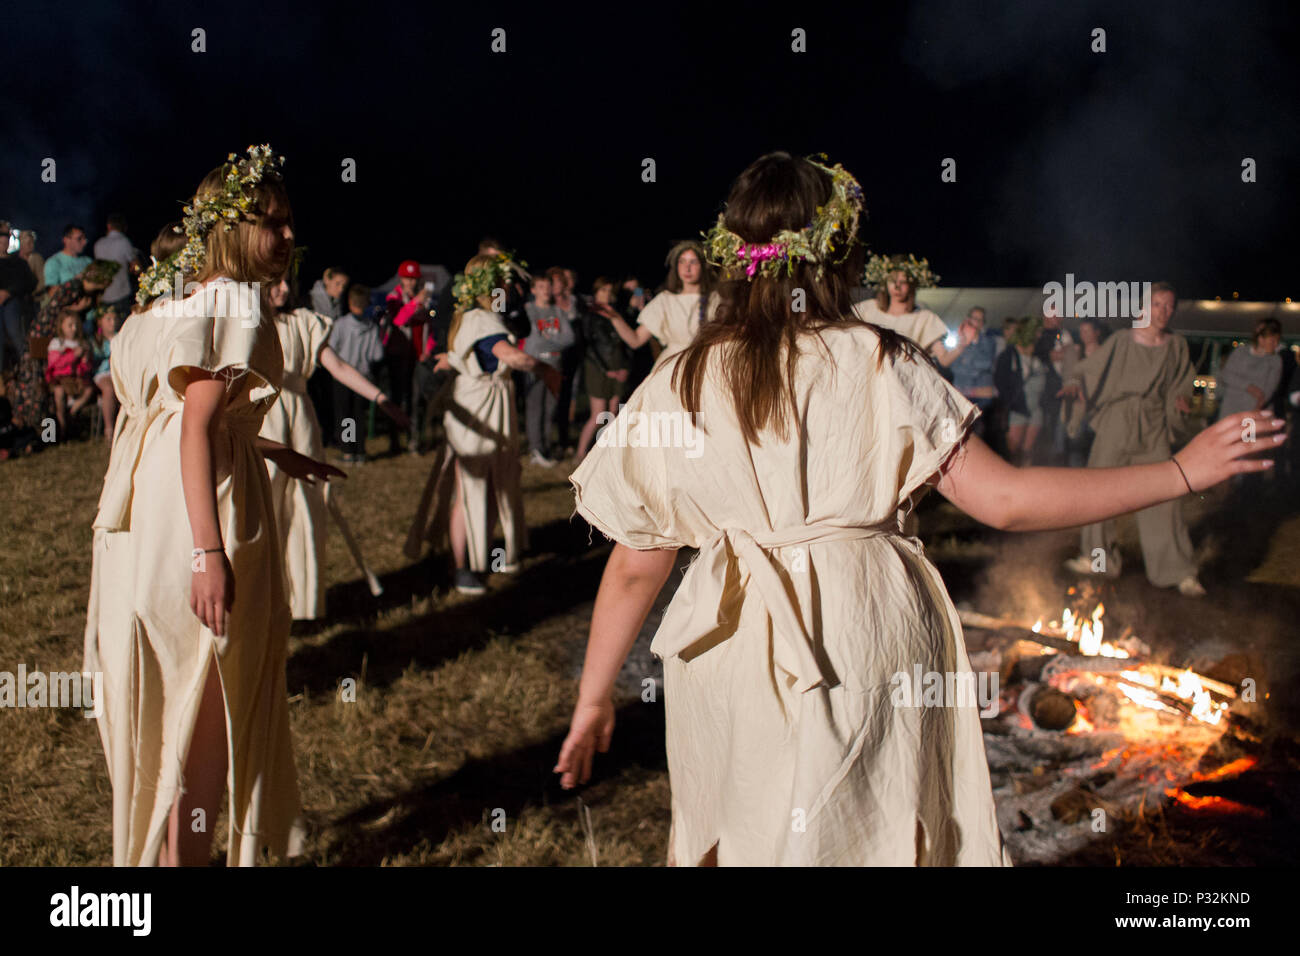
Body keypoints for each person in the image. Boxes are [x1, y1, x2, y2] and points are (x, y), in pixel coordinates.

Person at [553, 153, 1283, 867]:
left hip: (725, 650)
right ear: (839, 255)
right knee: (861, 836)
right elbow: (1005, 500)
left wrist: (593, 699)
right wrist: (1180, 471)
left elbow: (635, 564)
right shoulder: (878, 360)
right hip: (863, 632)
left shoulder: (678, 379)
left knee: (750, 832)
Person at [85, 145, 340, 866]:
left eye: (290, 223)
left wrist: (277, 453)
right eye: (272, 223)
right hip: (204, 520)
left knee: (183, 708)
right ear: (232, 228)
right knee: (210, 720)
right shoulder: (233, 299)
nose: (287, 238)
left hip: (159, 515)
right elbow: (195, 424)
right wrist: (210, 551)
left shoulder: (183, 300)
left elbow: (189, 419)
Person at [262, 276, 408, 618]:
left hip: (298, 419)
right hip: (261, 417)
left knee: (305, 507)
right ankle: (260, 597)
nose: (283, 288)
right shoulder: (245, 319)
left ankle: (301, 600)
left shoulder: (304, 322)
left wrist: (380, 398)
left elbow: (338, 366)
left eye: (287, 280)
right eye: (275, 281)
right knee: (263, 504)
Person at [1059, 282, 1207, 596]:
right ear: (1144, 306)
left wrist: (1182, 400)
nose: (1163, 311)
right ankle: (1098, 561)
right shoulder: (1122, 340)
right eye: (1157, 304)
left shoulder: (1176, 344)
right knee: (1099, 492)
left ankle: (1178, 571)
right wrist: (1074, 381)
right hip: (1117, 420)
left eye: (1169, 306)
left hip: (1153, 423)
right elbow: (1087, 370)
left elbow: (1182, 383)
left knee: (1163, 494)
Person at [428, 253, 561, 594]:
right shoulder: (479, 319)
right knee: (469, 489)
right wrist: (545, 371)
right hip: (477, 410)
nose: (509, 288)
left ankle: (481, 556)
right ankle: (462, 568)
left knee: (489, 486)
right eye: (503, 283)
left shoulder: (478, 316)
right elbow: (512, 356)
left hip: (489, 406)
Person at [604, 241, 714, 367]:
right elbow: (636, 340)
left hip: (707, 363)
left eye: (693, 262)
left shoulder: (715, 299)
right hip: (674, 364)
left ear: (704, 266)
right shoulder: (665, 300)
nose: (686, 268)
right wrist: (615, 317)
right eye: (682, 261)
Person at [856, 254, 961, 369]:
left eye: (903, 282)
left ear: (911, 285)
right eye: (892, 281)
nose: (897, 287)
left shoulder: (924, 319)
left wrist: (963, 343)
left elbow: (944, 359)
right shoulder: (868, 309)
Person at [575, 278, 631, 463]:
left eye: (609, 290)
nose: (606, 294)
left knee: (613, 412)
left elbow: (626, 343)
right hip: (598, 369)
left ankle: (607, 454)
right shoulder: (590, 315)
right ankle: (581, 453)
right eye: (603, 290)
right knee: (598, 415)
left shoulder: (617, 313)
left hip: (617, 366)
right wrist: (605, 369)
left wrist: (624, 367)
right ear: (596, 292)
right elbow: (589, 347)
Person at [329, 286, 388, 463]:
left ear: (349, 302)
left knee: (345, 415)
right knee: (358, 415)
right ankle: (360, 451)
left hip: (343, 376)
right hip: (362, 377)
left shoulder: (340, 325)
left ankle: (348, 452)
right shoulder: (371, 327)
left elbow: (331, 349)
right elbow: (377, 354)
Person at [522, 271, 575, 465]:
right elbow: (534, 342)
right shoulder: (529, 311)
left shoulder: (558, 312)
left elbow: (569, 338)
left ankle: (545, 446)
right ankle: (535, 448)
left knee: (550, 407)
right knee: (535, 407)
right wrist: (553, 341)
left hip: (555, 365)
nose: (546, 291)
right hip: (535, 365)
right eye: (541, 287)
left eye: (548, 287)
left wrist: (548, 341)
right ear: (533, 290)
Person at [383, 259, 430, 454]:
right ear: (401, 278)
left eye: (413, 278)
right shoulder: (393, 297)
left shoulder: (422, 298)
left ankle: (413, 441)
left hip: (416, 356)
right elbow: (398, 320)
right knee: (395, 398)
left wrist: (428, 348)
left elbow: (428, 326)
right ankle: (394, 441)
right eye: (406, 278)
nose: (410, 282)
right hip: (397, 354)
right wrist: (415, 302)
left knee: (415, 398)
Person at [994, 316, 1048, 466]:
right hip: (1017, 408)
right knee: (1012, 452)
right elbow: (1000, 382)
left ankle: (1027, 480)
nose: (1039, 335)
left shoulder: (1039, 353)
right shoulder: (1009, 355)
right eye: (1037, 331)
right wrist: (1010, 403)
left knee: (1028, 451)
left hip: (1036, 407)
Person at [1217, 318, 1283, 420]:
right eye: (1272, 341)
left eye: (1277, 341)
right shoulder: (1241, 352)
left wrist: (1259, 406)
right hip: (1232, 408)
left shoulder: (1275, 361)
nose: (1275, 345)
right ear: (1261, 339)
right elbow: (1226, 375)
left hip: (1255, 411)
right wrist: (1249, 387)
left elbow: (1270, 388)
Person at [948, 306, 998, 438]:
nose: (976, 323)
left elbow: (986, 363)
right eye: (974, 319)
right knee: (960, 434)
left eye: (980, 320)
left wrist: (967, 361)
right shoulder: (958, 341)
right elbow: (953, 367)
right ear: (968, 320)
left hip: (981, 398)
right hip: (962, 396)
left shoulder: (989, 342)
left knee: (979, 435)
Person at [1063, 317, 1107, 467]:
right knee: (1076, 450)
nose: (1084, 334)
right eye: (1081, 331)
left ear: (1097, 333)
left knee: (1097, 451)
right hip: (1078, 408)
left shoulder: (1105, 354)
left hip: (1099, 409)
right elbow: (1069, 376)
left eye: (1087, 331)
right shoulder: (1075, 352)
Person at [45, 309, 95, 434]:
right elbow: (55, 364)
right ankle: (62, 425)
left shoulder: (81, 343)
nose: (73, 329)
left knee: (89, 390)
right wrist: (73, 355)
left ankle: (72, 411)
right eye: (70, 325)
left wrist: (85, 361)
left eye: (76, 325)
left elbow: (87, 368)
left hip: (77, 379)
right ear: (61, 326)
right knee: (59, 393)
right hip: (60, 379)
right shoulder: (57, 343)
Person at [0, 225, 38, 372]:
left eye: (5, 242)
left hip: (13, 303)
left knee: (17, 334)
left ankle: (28, 368)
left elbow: (29, 282)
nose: (3, 245)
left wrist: (8, 292)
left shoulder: (18, 263)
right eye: (0, 242)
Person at [92, 214, 139, 311]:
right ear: (124, 227)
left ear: (108, 226)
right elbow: (136, 267)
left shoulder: (98, 244)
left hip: (104, 296)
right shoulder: (124, 242)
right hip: (122, 295)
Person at [90, 307, 120, 442]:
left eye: (114, 319)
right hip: (103, 372)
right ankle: (109, 428)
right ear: (99, 322)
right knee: (109, 388)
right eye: (108, 319)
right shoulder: (97, 340)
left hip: (118, 371)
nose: (112, 322)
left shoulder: (121, 336)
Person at [43, 225, 91, 289]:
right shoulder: (54, 262)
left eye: (85, 238)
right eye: (79, 239)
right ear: (66, 240)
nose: (84, 242)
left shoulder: (88, 261)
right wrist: (75, 282)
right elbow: (51, 292)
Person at [18, 230, 46, 300]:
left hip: (33, 298)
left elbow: (42, 280)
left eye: (33, 243)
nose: (32, 246)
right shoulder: (14, 258)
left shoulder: (36, 258)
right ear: (21, 242)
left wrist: (33, 293)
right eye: (29, 243)